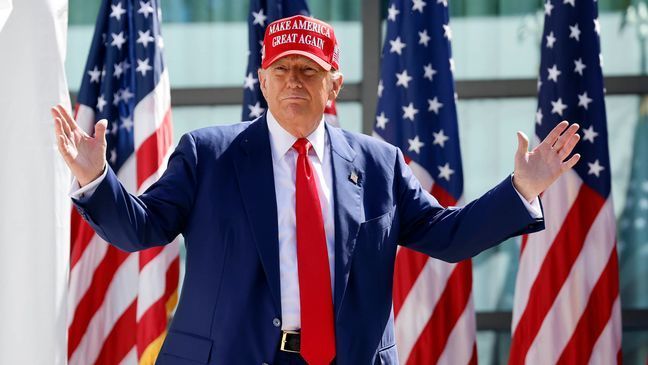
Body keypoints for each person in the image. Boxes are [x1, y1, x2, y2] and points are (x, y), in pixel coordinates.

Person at [52, 15, 581, 365]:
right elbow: (141, 228)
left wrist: (521, 189)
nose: (294, 82)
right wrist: (95, 180)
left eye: (309, 70)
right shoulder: (208, 155)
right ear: (262, 80)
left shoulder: (379, 164)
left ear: (335, 85)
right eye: (281, 69)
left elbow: (448, 237)